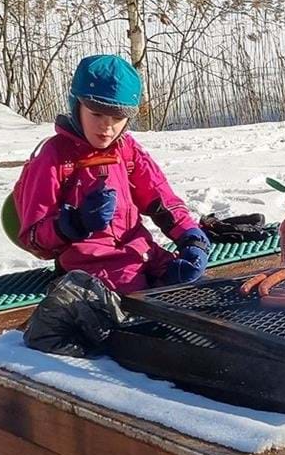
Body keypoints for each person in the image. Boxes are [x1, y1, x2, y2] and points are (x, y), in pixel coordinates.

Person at [11, 54, 211, 293]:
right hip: (88, 269)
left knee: (193, 287)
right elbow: (33, 237)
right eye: (96, 114)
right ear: (76, 106)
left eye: (117, 118)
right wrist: (75, 222)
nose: (107, 127)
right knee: (154, 315)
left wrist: (191, 237)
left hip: (141, 253)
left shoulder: (127, 150)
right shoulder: (53, 157)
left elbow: (162, 201)